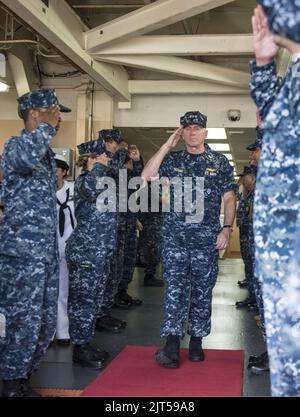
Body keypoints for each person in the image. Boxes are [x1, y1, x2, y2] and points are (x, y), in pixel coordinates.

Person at [142, 111, 236, 368]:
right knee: (175, 290)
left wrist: (227, 228)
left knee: (203, 291)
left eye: (197, 128)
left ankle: (196, 342)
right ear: (181, 133)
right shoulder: (172, 161)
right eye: (187, 128)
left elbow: (229, 197)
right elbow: (146, 176)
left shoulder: (219, 162)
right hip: (175, 238)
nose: (192, 132)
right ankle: (172, 345)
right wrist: (165, 146)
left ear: (205, 132)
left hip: (206, 239)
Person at [0, 89, 71, 397]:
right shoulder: (16, 146)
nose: (58, 119)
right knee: (22, 320)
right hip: (21, 255)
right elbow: (25, 158)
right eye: (54, 111)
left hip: (44, 253)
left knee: (44, 321)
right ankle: (12, 381)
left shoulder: (44, 156)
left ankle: (25, 373)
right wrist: (45, 125)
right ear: (34, 113)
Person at [250, 1, 300, 395]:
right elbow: (269, 118)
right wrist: (264, 63)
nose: (266, 17)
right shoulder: (296, 72)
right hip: (284, 249)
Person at [65, 139, 116, 369]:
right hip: (86, 252)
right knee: (82, 302)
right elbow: (92, 184)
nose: (106, 159)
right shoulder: (85, 181)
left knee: (93, 300)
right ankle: (80, 348)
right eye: (100, 156)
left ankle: (86, 342)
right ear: (89, 159)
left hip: (99, 252)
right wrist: (98, 166)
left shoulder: (103, 181)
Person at [54, 154, 75, 346]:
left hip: (68, 247)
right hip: (46, 248)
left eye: (56, 169)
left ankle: (62, 331)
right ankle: (47, 333)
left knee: (63, 291)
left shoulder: (74, 191)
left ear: (64, 172)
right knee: (46, 292)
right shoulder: (40, 192)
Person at [235, 166, 257, 310]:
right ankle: (252, 296)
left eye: (245, 177)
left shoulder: (256, 193)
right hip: (246, 232)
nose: (243, 180)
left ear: (253, 177)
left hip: (252, 235)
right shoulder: (248, 193)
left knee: (252, 266)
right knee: (248, 264)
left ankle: (254, 299)